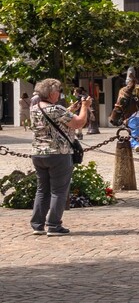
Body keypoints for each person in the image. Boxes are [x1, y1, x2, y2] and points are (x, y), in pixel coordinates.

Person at [29, 78, 92, 236]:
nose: (59, 94)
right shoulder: (56, 109)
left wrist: (71, 108)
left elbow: (54, 118)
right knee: (59, 190)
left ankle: (37, 225)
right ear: (51, 93)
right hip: (58, 154)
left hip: (39, 153)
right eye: (58, 91)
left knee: (42, 190)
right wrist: (84, 107)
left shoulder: (34, 108)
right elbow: (78, 123)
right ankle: (54, 225)